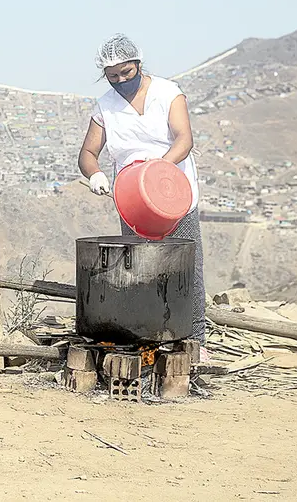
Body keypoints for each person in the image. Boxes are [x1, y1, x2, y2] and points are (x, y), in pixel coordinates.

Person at [78, 33, 208, 358]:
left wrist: (159, 171)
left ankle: (194, 340)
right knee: (141, 269)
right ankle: (148, 338)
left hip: (173, 194)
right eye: (113, 76)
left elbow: (184, 139)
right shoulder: (106, 107)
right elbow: (88, 152)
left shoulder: (167, 93)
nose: (121, 81)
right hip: (134, 202)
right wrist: (94, 174)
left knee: (186, 267)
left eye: (126, 72)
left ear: (138, 64)